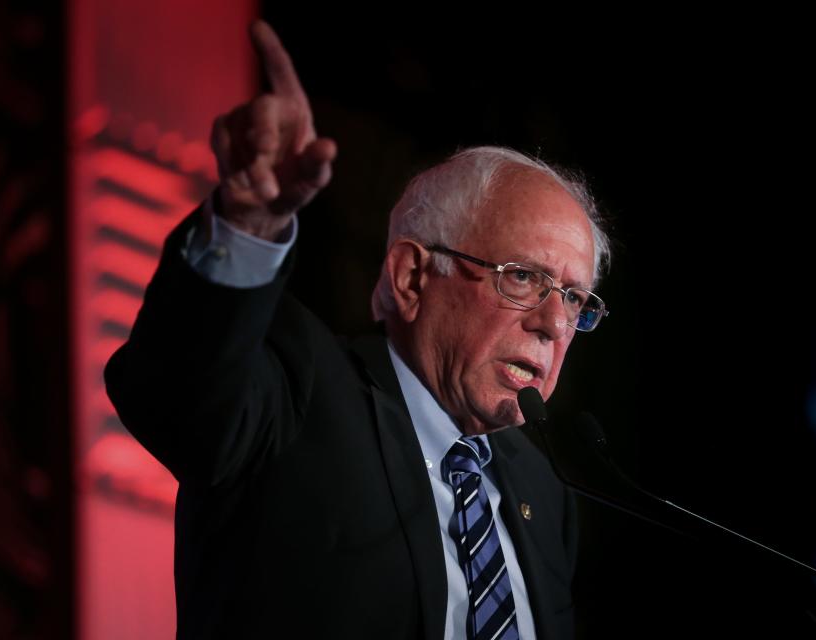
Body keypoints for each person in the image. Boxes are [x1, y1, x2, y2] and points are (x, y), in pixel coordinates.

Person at [105, 20, 611, 640]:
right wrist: (246, 225)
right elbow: (175, 395)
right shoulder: (300, 388)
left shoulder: (544, 492)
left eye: (576, 299)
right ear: (411, 277)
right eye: (523, 278)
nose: (554, 323)